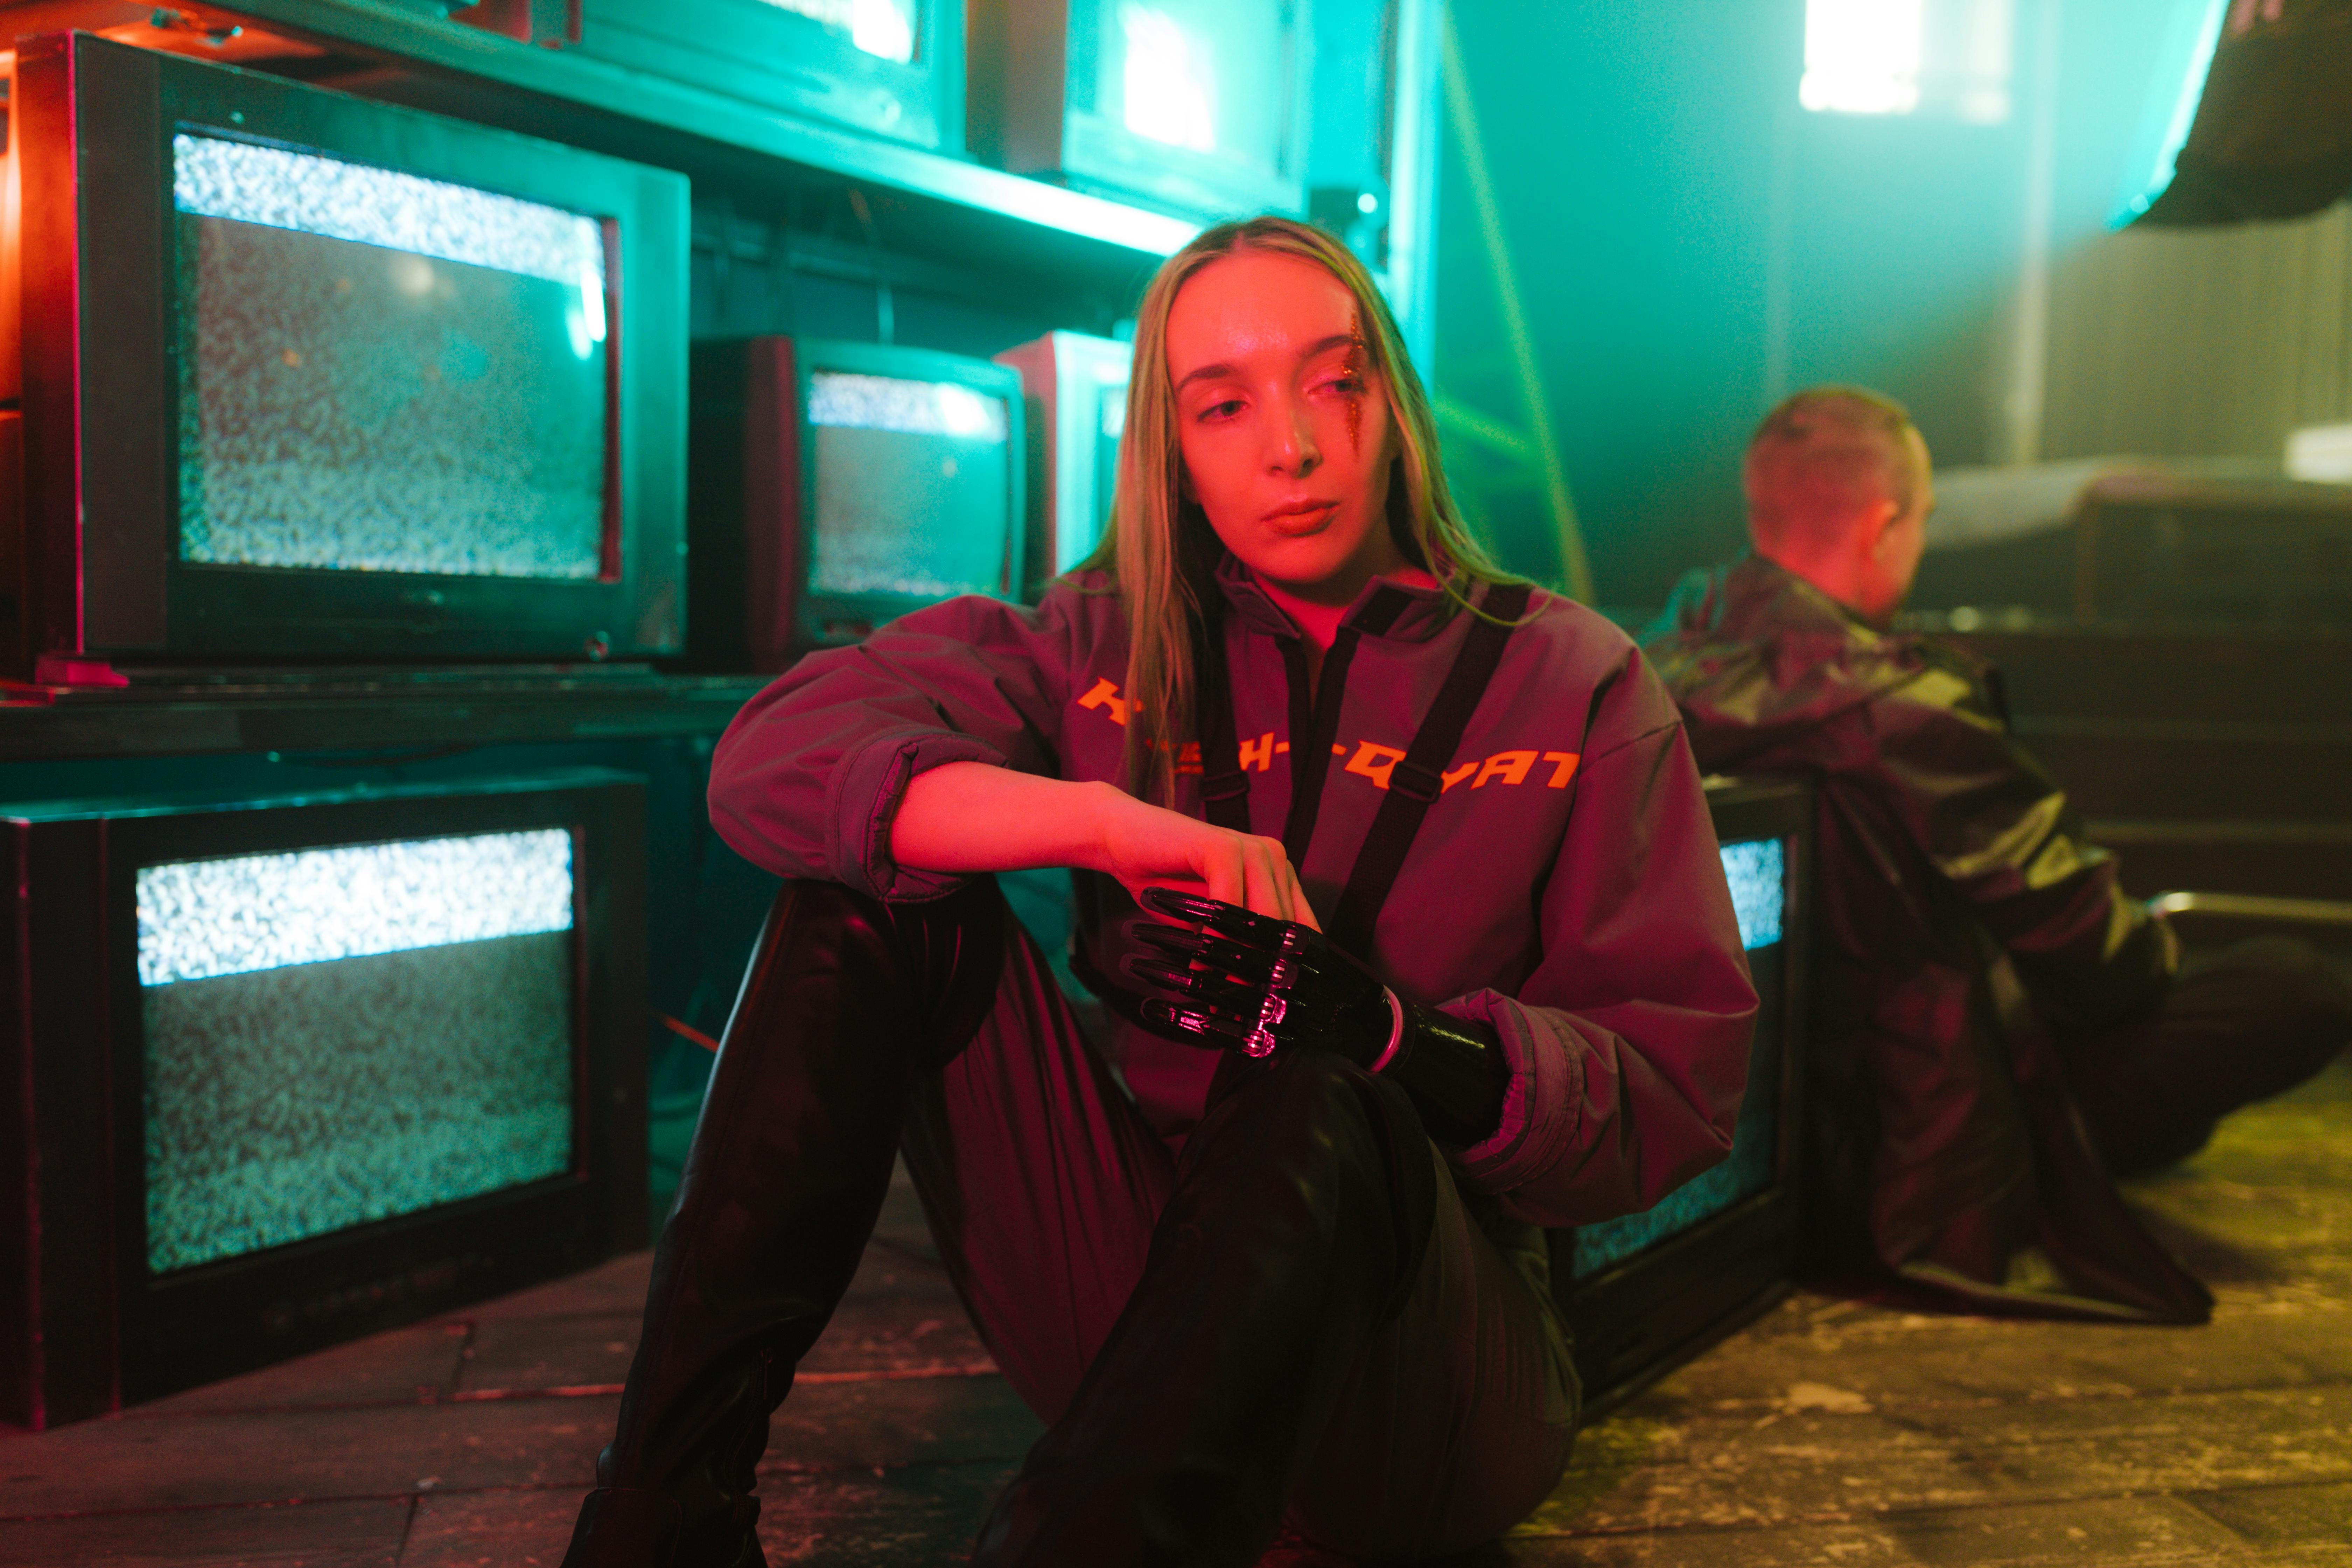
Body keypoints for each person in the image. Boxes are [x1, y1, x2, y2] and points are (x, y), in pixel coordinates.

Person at [560, 216, 1757, 1568]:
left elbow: (1679, 1087)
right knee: (870, 889)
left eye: (1333, 381)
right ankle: (665, 1521)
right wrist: (1107, 825)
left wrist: (1393, 1041)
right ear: (1172, 449)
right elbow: (770, 761)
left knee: (1314, 1079)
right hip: (1136, 1311)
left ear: (1394, 404)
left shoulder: (1577, 678)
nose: (1290, 449)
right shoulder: (1093, 640)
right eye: (1225, 404)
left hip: (1419, 1369)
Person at [1645, 386, 2352, 1323]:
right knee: (2297, 984)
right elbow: (2101, 961)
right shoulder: (1902, 705)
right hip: (1919, 1128)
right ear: (1884, 523)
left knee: (2181, 1086)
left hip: (1758, 1115)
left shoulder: (1652, 667)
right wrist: (2151, 950)